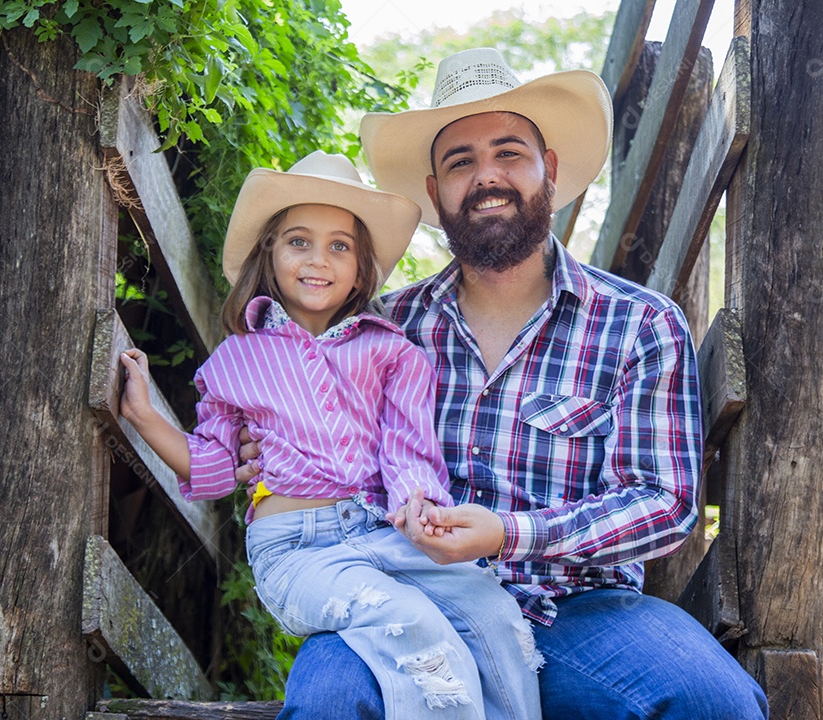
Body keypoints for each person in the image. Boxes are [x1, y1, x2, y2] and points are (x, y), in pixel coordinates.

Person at [239, 49, 770, 719]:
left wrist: (510, 533)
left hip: (578, 611)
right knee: (331, 701)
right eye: (461, 162)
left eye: (509, 153)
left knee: (712, 701)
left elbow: (663, 502)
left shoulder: (638, 324)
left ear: (548, 168)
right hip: (404, 597)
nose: (487, 177)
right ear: (435, 192)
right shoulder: (382, 330)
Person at [119, 150, 543, 720]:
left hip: (384, 532)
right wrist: (146, 416)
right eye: (299, 241)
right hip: (296, 550)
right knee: (412, 625)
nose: (318, 260)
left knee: (493, 614)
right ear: (269, 251)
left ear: (361, 266)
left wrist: (417, 504)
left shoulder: (391, 352)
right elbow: (215, 466)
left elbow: (407, 450)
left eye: (339, 245)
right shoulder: (236, 360)